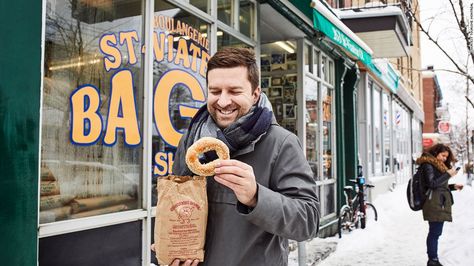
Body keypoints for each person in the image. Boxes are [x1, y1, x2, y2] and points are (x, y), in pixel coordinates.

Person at [161, 47, 320, 266]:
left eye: (234, 91)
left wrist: (256, 196)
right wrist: (168, 245)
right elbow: (175, 204)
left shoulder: (281, 143)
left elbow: (308, 221)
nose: (223, 102)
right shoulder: (191, 141)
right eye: (215, 91)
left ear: (255, 94)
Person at [415, 144, 464, 266]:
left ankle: (433, 259)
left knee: (436, 232)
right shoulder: (428, 165)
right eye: (443, 155)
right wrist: (448, 174)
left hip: (438, 202)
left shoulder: (436, 165)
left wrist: (453, 186)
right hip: (433, 203)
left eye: (446, 157)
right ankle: (433, 260)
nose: (444, 159)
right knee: (434, 232)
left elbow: (439, 186)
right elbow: (432, 184)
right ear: (436, 152)